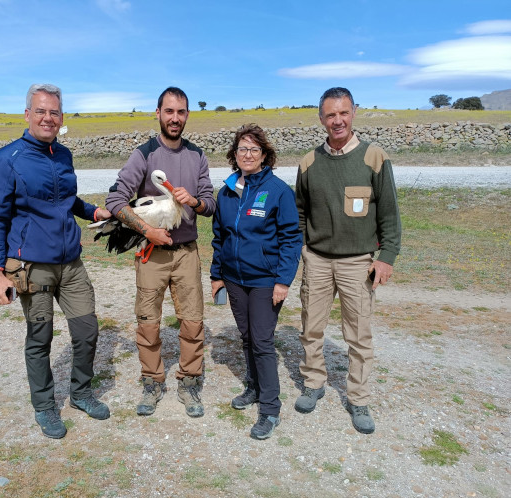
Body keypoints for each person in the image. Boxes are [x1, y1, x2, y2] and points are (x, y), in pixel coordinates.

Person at [0, 83, 112, 440]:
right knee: (39, 337)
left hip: (71, 263)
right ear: (27, 115)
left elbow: (66, 199)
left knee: (87, 330)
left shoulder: (63, 155)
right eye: (40, 111)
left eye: (54, 112)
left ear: (61, 117)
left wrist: (93, 211)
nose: (47, 118)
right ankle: (44, 406)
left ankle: (81, 393)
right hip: (32, 266)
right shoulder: (6, 160)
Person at [294, 87, 401, 434]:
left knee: (358, 335)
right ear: (321, 118)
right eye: (330, 115)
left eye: (343, 113)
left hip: (359, 262)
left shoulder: (373, 157)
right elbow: (299, 212)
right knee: (311, 327)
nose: (337, 120)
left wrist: (386, 257)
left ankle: (358, 398)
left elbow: (389, 212)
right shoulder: (309, 162)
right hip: (318, 259)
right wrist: (300, 251)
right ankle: (313, 383)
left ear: (354, 112)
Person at [105, 86, 216, 418]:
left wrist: (194, 201)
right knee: (148, 323)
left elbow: (209, 203)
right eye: (169, 111)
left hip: (186, 253)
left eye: (181, 112)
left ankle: (190, 381)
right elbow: (114, 201)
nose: (175, 118)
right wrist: (147, 231)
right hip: (152, 253)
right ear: (158, 113)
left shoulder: (197, 156)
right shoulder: (144, 155)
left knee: (193, 322)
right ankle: (152, 382)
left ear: (187, 116)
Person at [210, 124, 302, 440]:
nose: (248, 155)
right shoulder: (226, 191)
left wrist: (283, 281)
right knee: (247, 336)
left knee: (262, 341)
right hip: (234, 279)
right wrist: (216, 275)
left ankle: (270, 409)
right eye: (242, 149)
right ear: (234, 155)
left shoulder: (278, 191)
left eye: (254, 149)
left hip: (266, 280)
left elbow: (291, 238)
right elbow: (219, 237)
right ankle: (253, 387)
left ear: (265, 155)